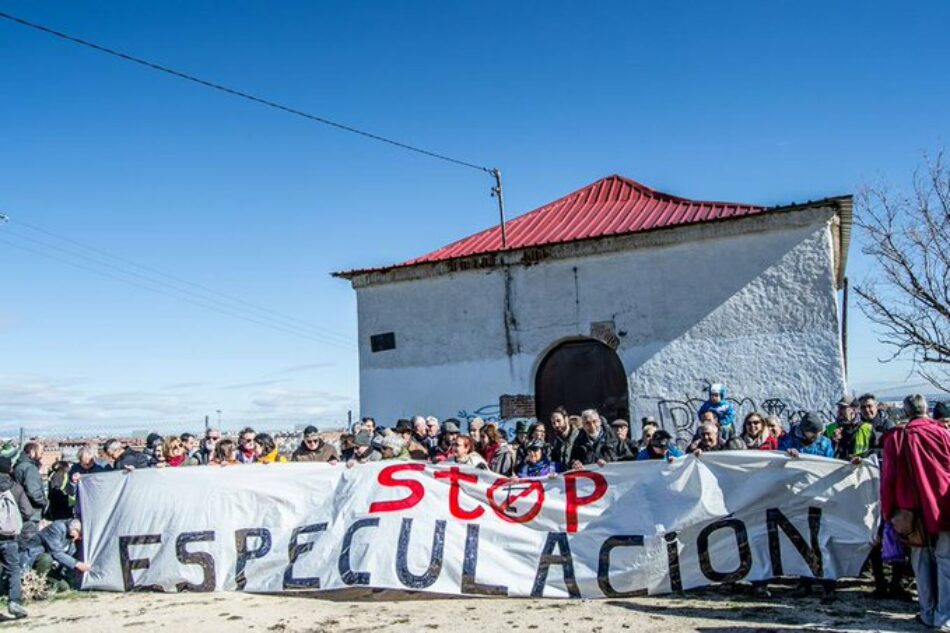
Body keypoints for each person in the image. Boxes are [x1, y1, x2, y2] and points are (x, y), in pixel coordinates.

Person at [881, 394, 950, 630]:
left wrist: (888, 511)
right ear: (926, 410)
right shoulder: (943, 433)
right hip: (944, 507)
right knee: (946, 563)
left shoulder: (898, 437)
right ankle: (945, 617)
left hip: (911, 511)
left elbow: (888, 478)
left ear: (906, 411)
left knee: (921, 565)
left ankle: (928, 612)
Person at [0, 455, 32, 619]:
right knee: (13, 569)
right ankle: (14, 603)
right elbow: (28, 512)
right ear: (9, 469)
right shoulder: (16, 488)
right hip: (9, 537)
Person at [37, 518, 90, 590]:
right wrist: (77, 564)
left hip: (51, 569)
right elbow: (56, 553)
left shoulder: (72, 545)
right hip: (38, 560)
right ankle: (35, 584)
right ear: (75, 530)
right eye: (80, 535)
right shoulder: (58, 527)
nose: (80, 538)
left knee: (65, 587)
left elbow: (64, 563)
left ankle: (44, 588)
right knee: (46, 558)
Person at [550, 407, 579, 471]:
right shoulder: (555, 441)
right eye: (553, 423)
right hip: (564, 477)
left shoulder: (579, 435)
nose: (556, 425)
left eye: (558, 421)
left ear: (566, 419)